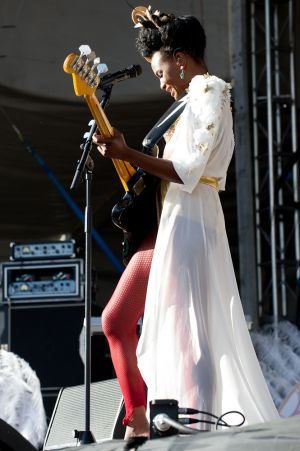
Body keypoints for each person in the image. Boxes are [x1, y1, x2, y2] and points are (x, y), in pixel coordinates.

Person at [93, 5, 279, 439]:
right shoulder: (187, 104)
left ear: (178, 57)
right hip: (174, 220)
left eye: (160, 70)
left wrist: (126, 154)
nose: (159, 80)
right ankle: (141, 419)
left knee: (192, 335)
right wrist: (127, 160)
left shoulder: (210, 90)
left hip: (192, 223)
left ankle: (195, 428)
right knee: (128, 322)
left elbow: (189, 169)